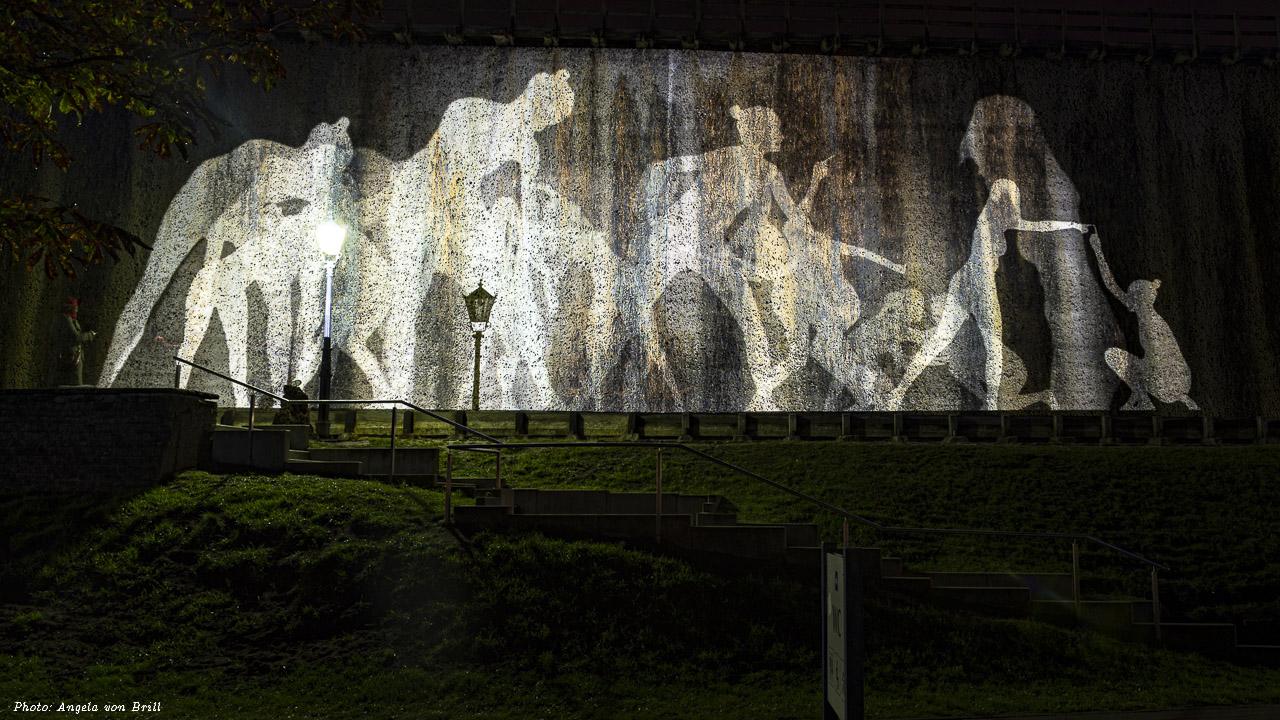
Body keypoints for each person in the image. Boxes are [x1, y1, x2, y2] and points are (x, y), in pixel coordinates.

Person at [886, 179, 1090, 410]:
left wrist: (1072, 225)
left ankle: (899, 391)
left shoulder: (998, 220)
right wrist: (987, 295)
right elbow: (982, 260)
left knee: (941, 341)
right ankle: (990, 403)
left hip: (967, 281)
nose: (1014, 204)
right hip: (978, 284)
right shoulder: (986, 220)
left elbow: (1034, 225)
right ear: (1002, 198)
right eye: (1011, 198)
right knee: (983, 346)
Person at [1089, 234, 1197, 410]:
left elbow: (1112, 286)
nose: (1127, 300)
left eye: (1130, 295)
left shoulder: (1148, 321)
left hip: (1165, 383)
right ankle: (1155, 398)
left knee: (1114, 356)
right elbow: (1112, 286)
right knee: (1136, 362)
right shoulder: (1151, 315)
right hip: (1182, 382)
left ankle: (1143, 400)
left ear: (1136, 300)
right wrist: (1097, 251)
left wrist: (1098, 251)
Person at [55, 297, 95, 386]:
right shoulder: (66, 320)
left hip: (75, 356)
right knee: (76, 384)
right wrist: (90, 335)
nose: (77, 310)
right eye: (75, 307)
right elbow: (77, 337)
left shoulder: (72, 320)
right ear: (70, 308)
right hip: (71, 358)